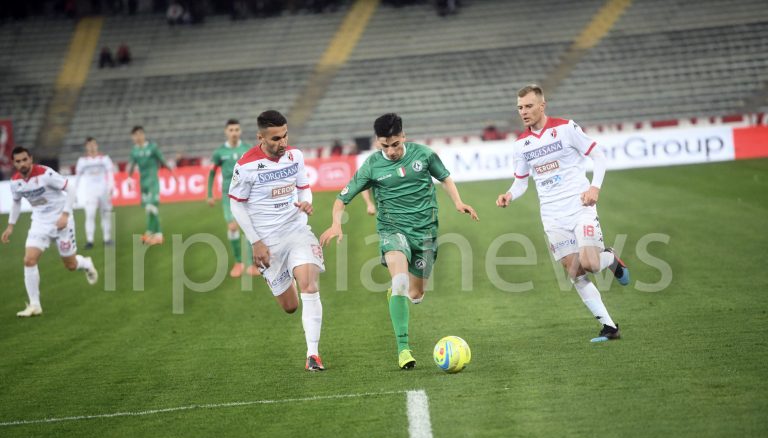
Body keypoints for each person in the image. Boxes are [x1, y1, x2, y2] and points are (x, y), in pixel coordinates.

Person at [319, 113, 478, 370]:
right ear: (377, 142)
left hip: (425, 232)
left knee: (415, 293)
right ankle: (403, 348)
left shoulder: (424, 155)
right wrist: (336, 223)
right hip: (392, 229)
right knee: (400, 281)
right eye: (385, 146)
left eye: (395, 144)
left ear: (403, 136)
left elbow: (445, 177)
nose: (391, 151)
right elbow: (341, 199)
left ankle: (397, 294)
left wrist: (458, 202)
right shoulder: (371, 166)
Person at [495, 84, 630, 343]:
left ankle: (610, 258)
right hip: (552, 216)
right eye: (520, 107)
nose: (523, 112)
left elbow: (598, 156)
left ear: (542, 105)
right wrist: (509, 194)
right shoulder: (521, 145)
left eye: (529, 106)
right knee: (574, 271)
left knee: (590, 262)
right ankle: (609, 327)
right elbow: (521, 181)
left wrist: (595, 187)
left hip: (580, 207)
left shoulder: (566, 128)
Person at [228, 110, 326, 371]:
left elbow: (304, 187)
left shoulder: (295, 157)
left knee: (309, 284)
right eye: (275, 139)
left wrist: (307, 202)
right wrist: (255, 241)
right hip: (267, 243)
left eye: (285, 136)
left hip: (296, 231)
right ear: (260, 137)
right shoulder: (246, 165)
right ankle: (284, 277)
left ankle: (313, 355)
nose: (282, 143)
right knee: (291, 306)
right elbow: (236, 205)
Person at [2, 147, 98, 317]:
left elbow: (71, 188)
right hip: (39, 222)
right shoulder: (15, 182)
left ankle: (86, 263)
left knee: (70, 265)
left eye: (25, 159)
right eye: (18, 161)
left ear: (31, 159)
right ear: (14, 163)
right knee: (29, 260)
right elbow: (16, 203)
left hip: (62, 222)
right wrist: (10, 226)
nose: (22, 163)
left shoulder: (45, 174)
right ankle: (34, 305)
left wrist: (65, 214)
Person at [206, 119, 259, 278]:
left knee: (249, 227)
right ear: (226, 132)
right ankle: (238, 262)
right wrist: (209, 194)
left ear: (240, 131)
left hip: (247, 194)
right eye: (231, 130)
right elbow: (212, 173)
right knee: (233, 227)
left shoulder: (248, 148)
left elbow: (257, 169)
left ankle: (252, 263)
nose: (234, 132)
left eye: (236, 129)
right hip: (228, 195)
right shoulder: (219, 152)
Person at [126, 126, 174, 245]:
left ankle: (149, 232)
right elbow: (131, 165)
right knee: (150, 210)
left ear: (143, 134)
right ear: (132, 137)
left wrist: (172, 172)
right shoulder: (134, 151)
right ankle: (158, 235)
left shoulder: (152, 147)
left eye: (140, 134)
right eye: (135, 135)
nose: (138, 137)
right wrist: (128, 178)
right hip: (143, 183)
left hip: (153, 182)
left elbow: (162, 160)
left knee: (151, 207)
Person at [74, 137, 115, 248]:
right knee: (90, 215)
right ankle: (90, 240)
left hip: (103, 191)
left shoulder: (105, 159)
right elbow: (77, 178)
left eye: (94, 144)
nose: (92, 147)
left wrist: (111, 188)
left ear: (97, 145)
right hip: (90, 192)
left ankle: (107, 239)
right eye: (89, 145)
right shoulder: (82, 161)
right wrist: (74, 192)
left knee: (106, 215)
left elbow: (110, 175)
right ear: (86, 147)